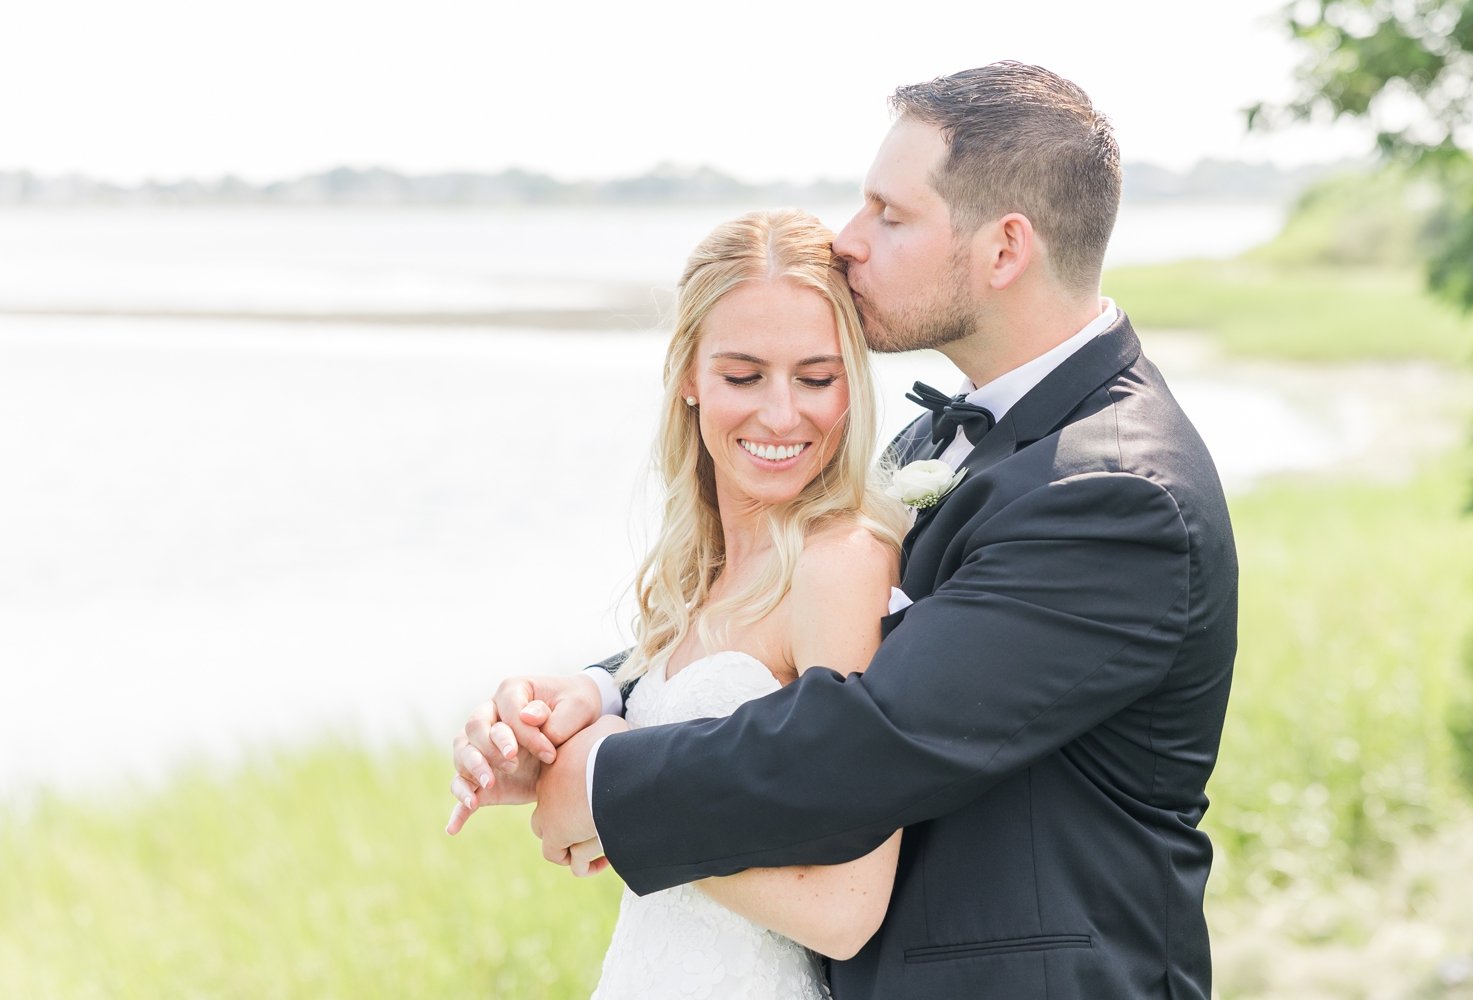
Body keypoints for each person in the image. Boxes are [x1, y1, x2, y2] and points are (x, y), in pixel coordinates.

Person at [453, 61, 1238, 999]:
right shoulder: (947, 435)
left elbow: (875, 734)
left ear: (1003, 250)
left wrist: (601, 784)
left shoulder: (1115, 492)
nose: (848, 240)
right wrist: (596, 693)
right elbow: (795, 628)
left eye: (888, 214)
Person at [451, 207, 914, 997]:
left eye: (816, 377)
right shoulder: (699, 568)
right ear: (691, 378)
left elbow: (846, 907)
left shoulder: (839, 566)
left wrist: (612, 808)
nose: (780, 414)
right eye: (742, 376)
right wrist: (550, 751)